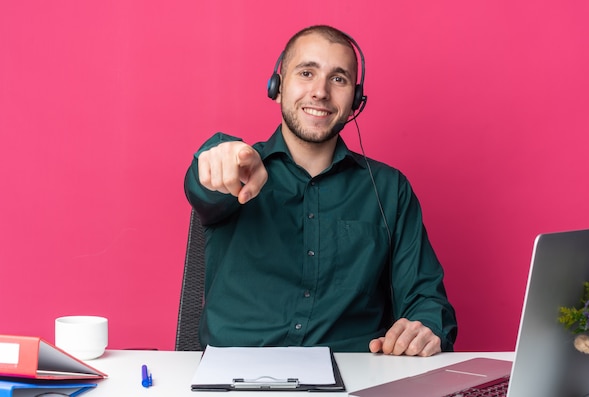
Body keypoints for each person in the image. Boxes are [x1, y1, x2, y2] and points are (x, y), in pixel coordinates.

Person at [184, 25, 457, 356]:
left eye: (338, 79)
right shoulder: (238, 167)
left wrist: (426, 328)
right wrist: (219, 156)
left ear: (356, 100)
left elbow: (425, 298)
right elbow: (203, 185)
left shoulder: (389, 189)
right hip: (236, 376)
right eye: (307, 72)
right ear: (278, 85)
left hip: (355, 375)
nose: (320, 92)